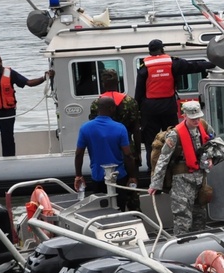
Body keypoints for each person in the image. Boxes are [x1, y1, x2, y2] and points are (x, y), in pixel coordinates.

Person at [135, 39, 215, 169]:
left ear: (150, 51)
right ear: (162, 49)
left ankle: (153, 170)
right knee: (173, 138)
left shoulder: (144, 66)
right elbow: (193, 66)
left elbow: (139, 91)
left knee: (151, 143)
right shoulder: (173, 63)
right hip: (168, 107)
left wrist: (138, 110)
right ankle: (174, 168)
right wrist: (212, 64)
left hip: (149, 109)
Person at [148, 100, 216, 235]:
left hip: (199, 177)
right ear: (184, 116)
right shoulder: (175, 135)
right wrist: (155, 184)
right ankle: (181, 243)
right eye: (192, 118)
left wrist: (210, 157)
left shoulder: (204, 126)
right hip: (181, 180)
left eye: (198, 117)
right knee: (182, 217)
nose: (196, 121)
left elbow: (213, 143)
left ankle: (200, 242)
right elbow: (163, 159)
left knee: (200, 214)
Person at [0, 52, 52, 162]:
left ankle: (9, 160)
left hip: (8, 111)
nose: (0, 64)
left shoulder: (9, 73)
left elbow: (29, 82)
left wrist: (44, 77)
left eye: (0, 61)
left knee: (8, 138)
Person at [88, 69, 141, 211]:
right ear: (118, 82)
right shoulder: (130, 102)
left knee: (107, 190)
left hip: (107, 150)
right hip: (128, 148)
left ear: (103, 83)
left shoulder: (97, 103)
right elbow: (136, 129)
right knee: (132, 188)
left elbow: (94, 129)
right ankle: (136, 215)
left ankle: (110, 216)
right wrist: (138, 154)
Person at [74, 96, 138, 211]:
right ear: (112, 108)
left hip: (97, 177)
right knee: (119, 209)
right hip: (118, 178)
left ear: (98, 109)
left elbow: (79, 154)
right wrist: (132, 176)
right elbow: (128, 155)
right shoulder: (120, 128)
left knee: (100, 211)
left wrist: (78, 175)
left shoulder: (85, 128)